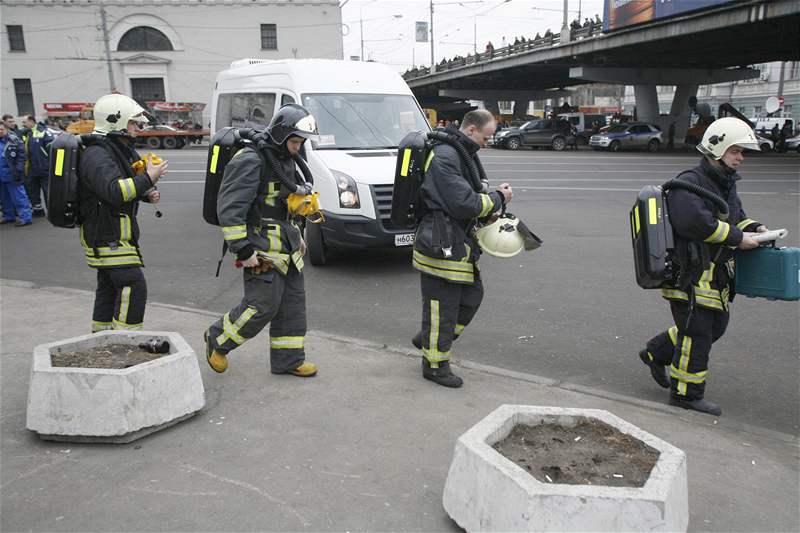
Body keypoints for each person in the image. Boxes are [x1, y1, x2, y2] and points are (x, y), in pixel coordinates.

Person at [638, 117, 767, 416]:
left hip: (714, 273)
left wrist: (756, 229)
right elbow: (695, 223)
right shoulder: (691, 183)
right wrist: (738, 238)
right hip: (690, 273)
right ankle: (685, 393)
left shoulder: (725, 184)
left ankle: (656, 353)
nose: (740, 157)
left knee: (714, 327)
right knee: (697, 333)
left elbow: (734, 217)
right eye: (736, 151)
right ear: (718, 147)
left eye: (742, 152)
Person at [204, 104, 319, 378]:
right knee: (261, 306)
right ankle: (217, 339)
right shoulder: (251, 159)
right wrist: (243, 250)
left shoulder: (285, 159)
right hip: (261, 249)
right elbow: (230, 209)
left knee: (292, 307)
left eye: (300, 142)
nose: (298, 147)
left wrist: (299, 234)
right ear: (280, 135)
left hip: (288, 248)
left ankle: (288, 360)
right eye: (294, 141)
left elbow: (287, 202)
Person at [411, 109, 513, 388]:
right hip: (440, 243)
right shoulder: (446, 155)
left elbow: (466, 201)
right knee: (440, 308)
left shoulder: (459, 153)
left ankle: (429, 337)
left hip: (455, 241)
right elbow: (464, 202)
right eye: (486, 137)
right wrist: (499, 198)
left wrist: (486, 213)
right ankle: (434, 365)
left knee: (471, 296)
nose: (487, 143)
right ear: (471, 130)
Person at [78, 93, 167, 332]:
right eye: (133, 122)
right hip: (107, 235)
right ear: (115, 121)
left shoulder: (111, 149)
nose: (137, 127)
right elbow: (114, 191)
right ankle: (125, 342)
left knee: (108, 286)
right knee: (133, 286)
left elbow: (117, 188)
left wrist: (144, 193)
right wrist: (149, 178)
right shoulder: (97, 154)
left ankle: (101, 337)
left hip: (109, 234)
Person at [0, 122, 32, 226]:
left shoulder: (14, 140)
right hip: (1, 175)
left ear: (6, 129)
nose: (0, 131)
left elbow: (22, 155)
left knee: (19, 196)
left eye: (1, 129)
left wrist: (18, 170)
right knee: (4, 198)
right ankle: (9, 216)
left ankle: (25, 217)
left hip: (12, 173)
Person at [21, 115, 53, 217]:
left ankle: (52, 212)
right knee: (32, 190)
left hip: (44, 167)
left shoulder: (42, 132)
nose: (24, 124)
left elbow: (50, 149)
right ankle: (38, 210)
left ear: (31, 121)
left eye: (25, 122)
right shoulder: (27, 133)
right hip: (32, 168)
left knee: (47, 191)